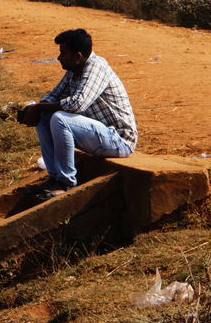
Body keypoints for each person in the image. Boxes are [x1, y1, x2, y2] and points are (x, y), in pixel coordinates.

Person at [17, 28, 137, 197]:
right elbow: (53, 96)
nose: (59, 58)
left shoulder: (96, 67)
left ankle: (66, 183)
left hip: (119, 140)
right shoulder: (74, 70)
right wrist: (35, 108)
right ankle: (55, 178)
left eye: (63, 54)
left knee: (59, 118)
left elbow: (77, 104)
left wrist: (40, 107)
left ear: (77, 56)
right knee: (45, 116)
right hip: (99, 136)